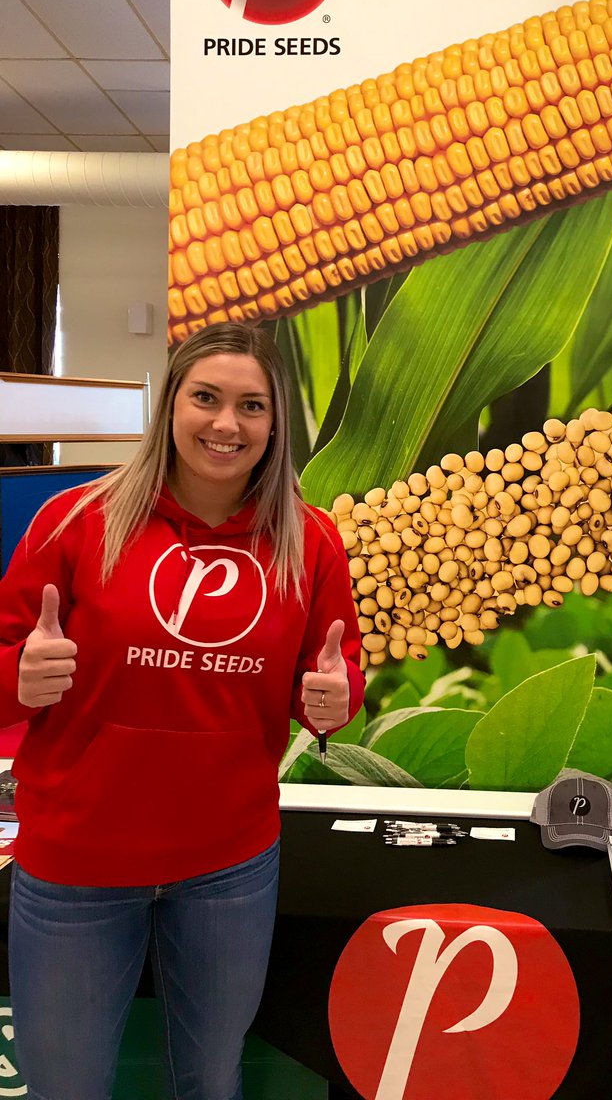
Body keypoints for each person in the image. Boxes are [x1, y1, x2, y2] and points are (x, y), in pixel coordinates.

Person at [0, 324, 364, 1100]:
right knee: (64, 1089)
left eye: (251, 406)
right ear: (170, 406)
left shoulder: (311, 541)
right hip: (77, 866)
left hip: (227, 867)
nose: (226, 424)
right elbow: (5, 662)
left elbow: (333, 673)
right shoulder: (74, 522)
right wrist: (18, 680)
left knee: (211, 1080)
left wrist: (334, 702)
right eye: (206, 398)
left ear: (274, 425)